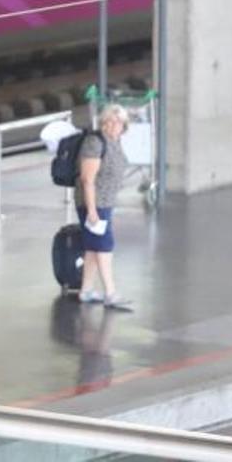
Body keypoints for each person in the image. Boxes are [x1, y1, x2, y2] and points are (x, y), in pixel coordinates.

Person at [75, 103, 132, 311]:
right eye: (110, 121)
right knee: (104, 246)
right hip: (94, 203)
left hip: (106, 202)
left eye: (119, 122)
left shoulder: (115, 141)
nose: (114, 125)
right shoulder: (95, 142)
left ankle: (86, 290)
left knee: (93, 247)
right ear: (103, 122)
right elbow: (87, 179)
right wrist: (91, 211)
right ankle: (110, 292)